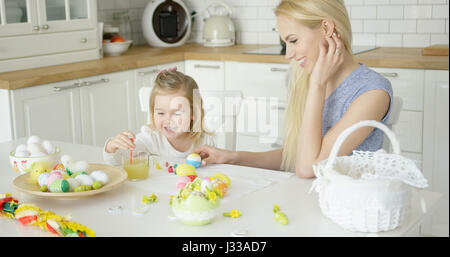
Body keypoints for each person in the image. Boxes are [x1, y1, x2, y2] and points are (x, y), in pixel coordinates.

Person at [192, 0, 393, 178]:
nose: (288, 54)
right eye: (285, 43)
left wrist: (317, 86)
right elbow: (297, 156)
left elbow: (309, 169)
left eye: (293, 40)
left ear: (327, 28)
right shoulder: (302, 78)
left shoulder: (372, 93)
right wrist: (232, 157)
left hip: (348, 212)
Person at [103, 68, 215, 165]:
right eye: (161, 113)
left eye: (176, 113)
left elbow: (218, 171)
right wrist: (111, 146)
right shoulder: (151, 138)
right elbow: (117, 161)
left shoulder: (205, 142)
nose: (167, 120)